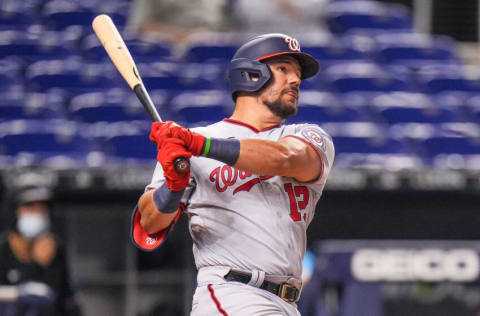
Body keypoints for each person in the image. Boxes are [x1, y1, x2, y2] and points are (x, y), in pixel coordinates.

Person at [130, 33, 335, 315]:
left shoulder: (306, 136)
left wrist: (200, 146)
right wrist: (174, 186)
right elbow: (150, 224)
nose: (296, 80)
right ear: (251, 75)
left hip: (286, 302)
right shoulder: (195, 141)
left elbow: (284, 158)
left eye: (298, 74)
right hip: (232, 293)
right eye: (284, 69)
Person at [0, 185, 82, 316]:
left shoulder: (55, 249)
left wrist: (44, 265)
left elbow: (64, 300)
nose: (37, 214)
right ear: (16, 211)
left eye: (42, 210)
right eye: (30, 208)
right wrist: (35, 265)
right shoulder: (3, 249)